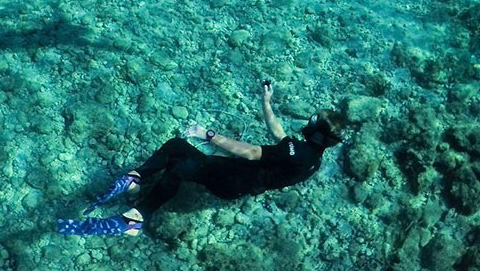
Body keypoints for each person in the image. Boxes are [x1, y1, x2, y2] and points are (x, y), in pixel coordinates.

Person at [57, 81, 344, 236]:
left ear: (317, 133)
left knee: (180, 167)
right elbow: (280, 133)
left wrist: (208, 134)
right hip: (238, 178)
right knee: (177, 146)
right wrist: (266, 102)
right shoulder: (310, 157)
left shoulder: (298, 153)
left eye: (313, 120)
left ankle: (138, 215)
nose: (308, 120)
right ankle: (135, 179)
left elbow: (249, 152)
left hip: (232, 180)